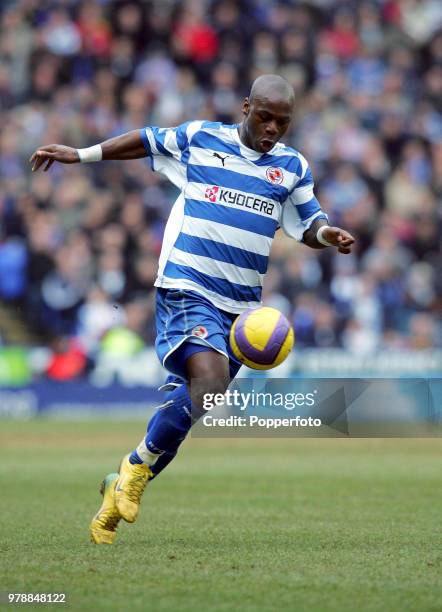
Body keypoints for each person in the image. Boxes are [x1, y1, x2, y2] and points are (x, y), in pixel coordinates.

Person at [30, 74, 355, 544]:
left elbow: (310, 224)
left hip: (242, 311)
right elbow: (144, 139)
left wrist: (330, 236)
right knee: (209, 382)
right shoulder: (201, 138)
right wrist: (81, 155)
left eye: (282, 122)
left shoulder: (292, 167)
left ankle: (116, 491)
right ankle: (135, 468)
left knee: (187, 410)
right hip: (188, 287)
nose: (271, 129)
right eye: (264, 116)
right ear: (246, 107)